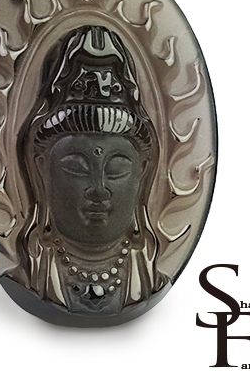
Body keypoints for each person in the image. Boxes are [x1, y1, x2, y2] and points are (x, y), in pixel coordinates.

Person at [17, 25, 168, 316]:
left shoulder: (150, 277)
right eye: (76, 168)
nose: (98, 190)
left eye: (117, 169)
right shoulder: (28, 276)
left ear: (143, 171)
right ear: (41, 169)